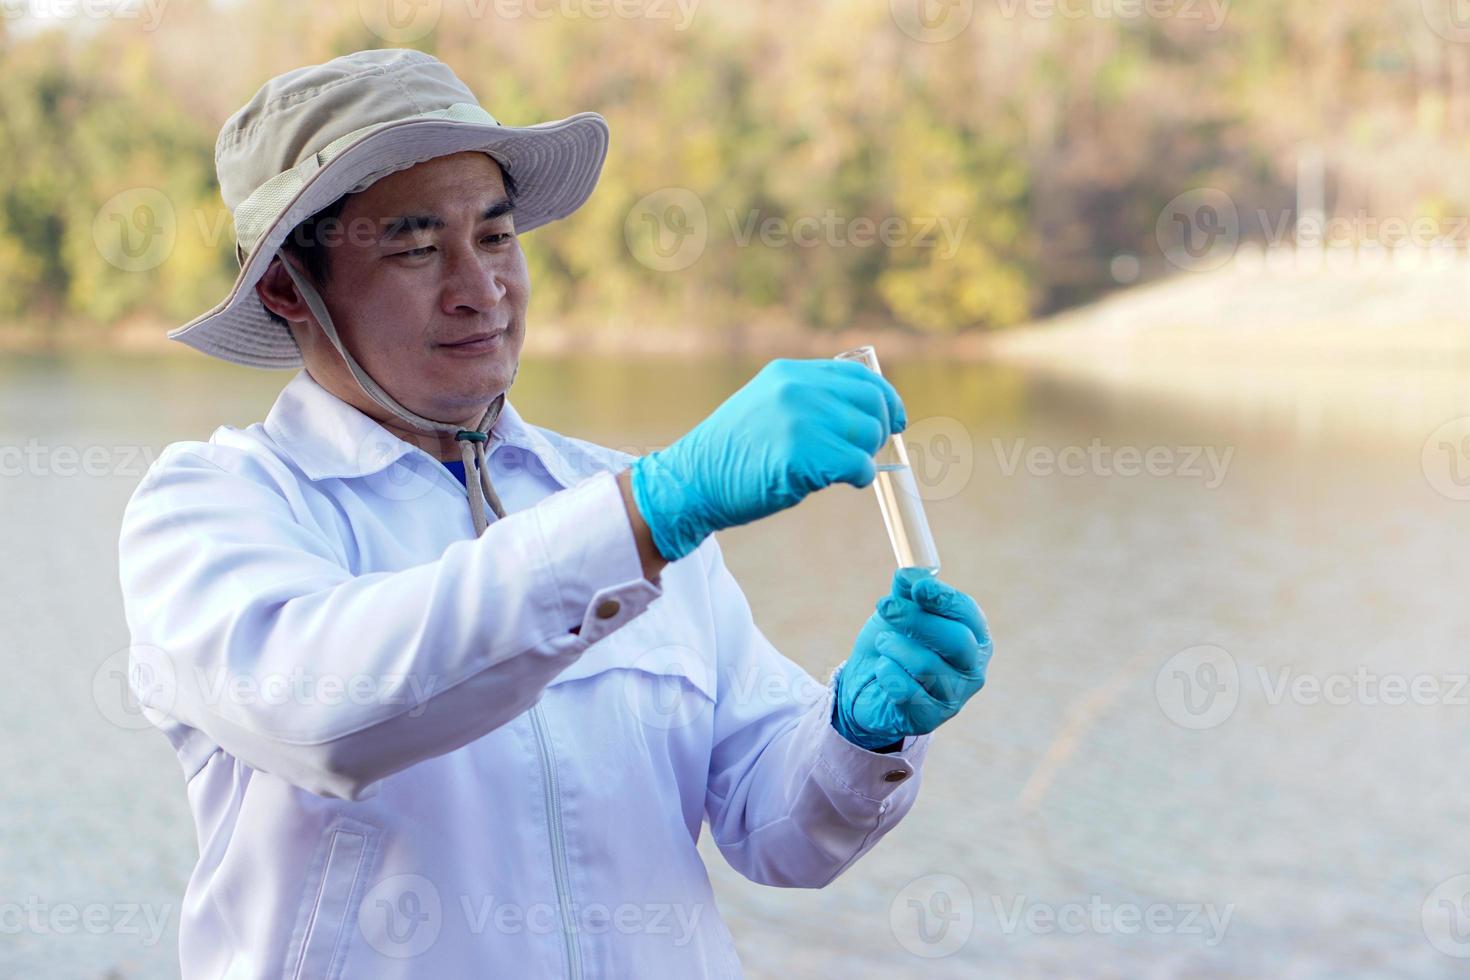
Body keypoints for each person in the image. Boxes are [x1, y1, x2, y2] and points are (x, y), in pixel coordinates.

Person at [117, 48, 994, 978]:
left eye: (495, 238)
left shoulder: (620, 499)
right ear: (289, 288)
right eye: (415, 247)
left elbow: (776, 835)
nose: (478, 287)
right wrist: (655, 512)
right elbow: (330, 715)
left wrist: (862, 736)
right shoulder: (215, 506)